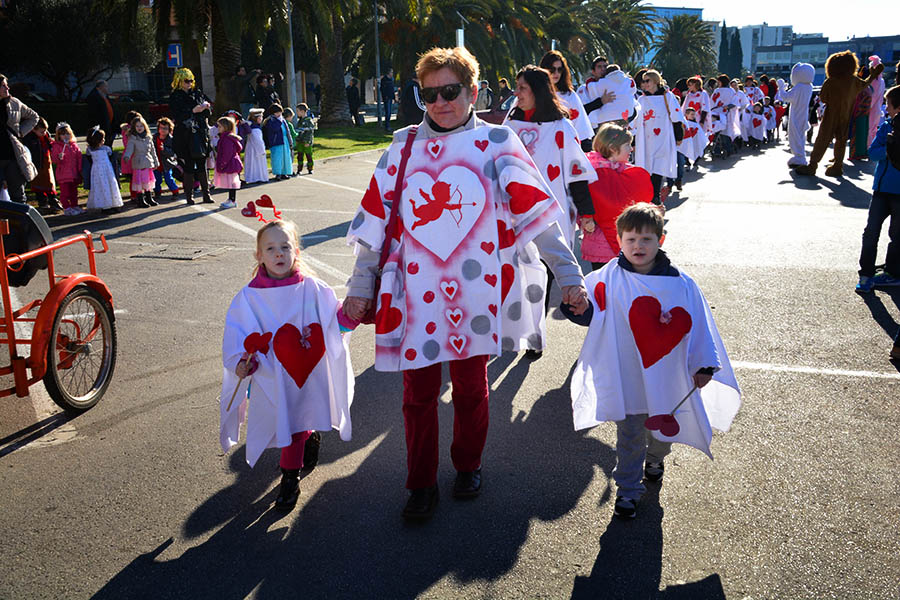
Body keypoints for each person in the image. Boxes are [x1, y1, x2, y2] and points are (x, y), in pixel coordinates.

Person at [342, 46, 589, 521]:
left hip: (475, 292)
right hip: (414, 294)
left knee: (473, 389)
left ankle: (468, 465)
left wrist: (570, 276)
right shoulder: (402, 146)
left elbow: (538, 218)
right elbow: (374, 222)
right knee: (416, 397)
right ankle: (420, 483)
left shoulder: (498, 143)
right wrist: (358, 285)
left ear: (473, 92)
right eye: (428, 93)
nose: (439, 102)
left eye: (450, 91)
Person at [564, 203, 741, 519]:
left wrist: (703, 365)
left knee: (661, 430)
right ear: (619, 241)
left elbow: (699, 323)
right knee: (630, 436)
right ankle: (628, 491)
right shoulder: (609, 277)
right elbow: (592, 307)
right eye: (630, 239)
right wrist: (577, 307)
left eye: (646, 239)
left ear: (661, 239)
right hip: (627, 373)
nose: (638, 246)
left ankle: (657, 457)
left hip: (667, 376)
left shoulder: (681, 283)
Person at [221, 219, 358, 511]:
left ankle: (290, 477)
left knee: (294, 422)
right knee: (287, 418)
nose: (279, 254)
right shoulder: (249, 297)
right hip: (271, 376)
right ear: (258, 255)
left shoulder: (313, 289)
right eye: (270, 248)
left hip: (306, 373)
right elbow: (237, 334)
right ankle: (309, 436)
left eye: (285, 247)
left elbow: (335, 321)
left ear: (297, 251)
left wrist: (352, 313)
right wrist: (242, 363)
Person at [503, 64, 597, 358]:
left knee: (544, 274)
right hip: (511, 214)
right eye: (516, 87)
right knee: (517, 275)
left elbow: (576, 172)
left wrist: (587, 212)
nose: (516, 93)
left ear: (538, 92)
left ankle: (535, 334)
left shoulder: (560, 127)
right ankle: (511, 329)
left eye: (522, 88)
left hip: (550, 216)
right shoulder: (510, 122)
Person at [580, 122, 653, 271]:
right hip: (600, 242)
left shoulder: (629, 172)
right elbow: (582, 199)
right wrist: (586, 216)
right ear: (613, 148)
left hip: (625, 241)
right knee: (602, 282)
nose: (631, 149)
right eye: (627, 145)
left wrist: (651, 210)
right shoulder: (591, 173)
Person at [855, 85, 900, 293]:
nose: (885, 108)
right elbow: (872, 153)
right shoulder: (886, 126)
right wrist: (891, 150)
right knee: (871, 232)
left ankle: (891, 273)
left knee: (897, 235)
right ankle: (866, 274)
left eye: (888, 104)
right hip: (881, 190)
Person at [633, 69, 684, 206]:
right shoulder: (642, 99)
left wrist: (679, 135)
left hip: (663, 137)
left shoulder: (668, 97)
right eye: (643, 81)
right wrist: (633, 140)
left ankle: (655, 196)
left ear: (655, 80)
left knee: (659, 166)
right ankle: (649, 196)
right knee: (647, 167)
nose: (644, 84)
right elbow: (636, 120)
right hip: (646, 139)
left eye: (647, 80)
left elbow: (676, 117)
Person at [169, 68, 213, 205]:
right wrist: (193, 110)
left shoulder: (198, 93)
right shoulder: (176, 96)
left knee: (202, 164)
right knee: (188, 165)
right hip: (184, 134)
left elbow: (208, 111)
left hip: (200, 132)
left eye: (191, 81)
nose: (189, 83)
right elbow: (177, 115)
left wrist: (206, 107)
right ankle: (189, 196)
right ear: (179, 81)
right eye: (186, 81)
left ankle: (206, 194)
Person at [539, 51, 594, 150]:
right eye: (552, 69)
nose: (556, 73)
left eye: (559, 69)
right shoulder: (534, 94)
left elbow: (582, 130)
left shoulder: (570, 96)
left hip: (567, 151)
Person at [1, 74, 39, 203]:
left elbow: (34, 117)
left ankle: (21, 222)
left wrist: (20, 133)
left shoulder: (15, 103)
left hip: (13, 155)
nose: (7, 87)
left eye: (7, 84)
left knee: (18, 195)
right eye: (3, 85)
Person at [122, 114, 160, 208]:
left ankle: (149, 198)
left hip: (147, 162)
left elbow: (153, 151)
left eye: (141, 126)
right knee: (139, 183)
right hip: (138, 163)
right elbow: (129, 149)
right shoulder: (132, 139)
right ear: (134, 127)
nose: (139, 128)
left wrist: (156, 161)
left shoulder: (148, 138)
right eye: (137, 126)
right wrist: (126, 156)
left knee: (148, 182)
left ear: (145, 126)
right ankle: (140, 200)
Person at [23, 117, 60, 212]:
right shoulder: (30, 138)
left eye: (45, 131)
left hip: (46, 162)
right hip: (37, 163)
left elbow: (50, 145)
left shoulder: (45, 136)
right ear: (34, 129)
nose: (44, 133)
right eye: (42, 131)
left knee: (49, 181)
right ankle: (43, 201)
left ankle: (52, 199)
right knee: (38, 182)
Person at [781, 63, 814, 166]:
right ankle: (800, 156)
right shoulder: (809, 87)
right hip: (803, 114)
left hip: (796, 115)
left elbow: (785, 97)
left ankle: (799, 157)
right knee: (800, 136)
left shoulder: (799, 86)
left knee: (794, 136)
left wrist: (781, 87)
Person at [84, 127, 123, 214]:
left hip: (107, 170)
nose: (104, 140)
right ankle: (105, 205)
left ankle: (113, 203)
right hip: (97, 171)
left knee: (109, 184)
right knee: (101, 186)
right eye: (102, 138)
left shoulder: (106, 148)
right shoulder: (90, 150)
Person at [50, 122, 83, 215]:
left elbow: (79, 158)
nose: (66, 136)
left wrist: (79, 170)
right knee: (65, 192)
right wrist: (59, 158)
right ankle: (67, 208)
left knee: (74, 192)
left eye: (68, 133)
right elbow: (54, 160)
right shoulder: (56, 146)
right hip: (63, 174)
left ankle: (74, 205)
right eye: (63, 134)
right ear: (59, 136)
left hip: (74, 173)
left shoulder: (74, 145)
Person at [214, 116, 243, 209]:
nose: (218, 128)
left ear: (225, 127)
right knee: (231, 183)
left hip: (230, 163)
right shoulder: (226, 137)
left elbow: (227, 153)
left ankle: (232, 200)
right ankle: (230, 199)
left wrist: (222, 164)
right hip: (231, 163)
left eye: (220, 126)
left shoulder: (227, 139)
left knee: (232, 183)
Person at [263, 104, 293, 180]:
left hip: (284, 141)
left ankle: (284, 172)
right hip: (276, 142)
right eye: (277, 113)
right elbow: (274, 129)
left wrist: (290, 142)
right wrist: (279, 121)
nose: (279, 114)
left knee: (285, 158)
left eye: (280, 112)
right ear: (273, 113)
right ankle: (278, 173)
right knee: (277, 158)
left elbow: (287, 131)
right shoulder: (270, 120)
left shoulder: (282, 120)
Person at [849, 66, 873, 161]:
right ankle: (863, 152)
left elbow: (855, 102)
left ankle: (855, 154)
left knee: (856, 134)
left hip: (858, 113)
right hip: (866, 113)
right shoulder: (869, 87)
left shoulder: (860, 87)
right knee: (864, 134)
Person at [153, 118, 179, 201]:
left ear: (169, 129)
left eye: (165, 128)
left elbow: (172, 152)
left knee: (168, 178)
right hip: (156, 163)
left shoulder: (170, 139)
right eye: (161, 128)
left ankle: (175, 191)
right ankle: (157, 192)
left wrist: (164, 149)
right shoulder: (154, 137)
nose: (163, 130)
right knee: (157, 179)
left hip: (167, 163)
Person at [85, 80, 115, 147]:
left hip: (108, 126)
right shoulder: (94, 97)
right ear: (99, 87)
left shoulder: (104, 96)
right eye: (105, 86)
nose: (107, 88)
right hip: (101, 126)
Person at [244, 108, 268, 184]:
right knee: (257, 164)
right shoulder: (255, 129)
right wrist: (262, 151)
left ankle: (252, 177)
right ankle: (258, 177)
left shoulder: (252, 126)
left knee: (252, 164)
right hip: (256, 150)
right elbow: (258, 142)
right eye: (260, 117)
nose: (261, 118)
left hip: (251, 149)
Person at [867, 56, 886, 147]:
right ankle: (873, 147)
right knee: (874, 130)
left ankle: (868, 149)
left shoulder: (874, 81)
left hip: (872, 109)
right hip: (878, 109)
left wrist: (867, 107)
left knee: (868, 130)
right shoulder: (882, 81)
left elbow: (873, 97)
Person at [296, 103, 316, 175]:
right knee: (300, 156)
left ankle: (310, 168)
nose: (297, 113)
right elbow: (298, 131)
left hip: (307, 142)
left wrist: (308, 141)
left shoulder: (309, 120)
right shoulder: (299, 121)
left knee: (308, 155)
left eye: (298, 111)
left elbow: (310, 132)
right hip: (300, 142)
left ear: (303, 111)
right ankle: (299, 169)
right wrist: (297, 140)